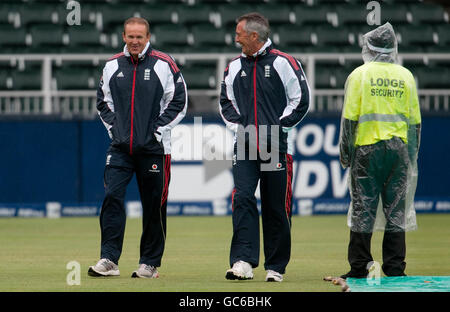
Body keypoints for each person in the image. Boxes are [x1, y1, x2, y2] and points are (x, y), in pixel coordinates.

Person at [88, 17, 187, 278]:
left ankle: (149, 263)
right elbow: (103, 102)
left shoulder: (164, 64)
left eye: (139, 37)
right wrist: (115, 129)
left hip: (154, 149)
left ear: (148, 38)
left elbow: (178, 101)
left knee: (154, 204)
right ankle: (109, 259)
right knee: (112, 198)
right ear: (123, 36)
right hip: (120, 147)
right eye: (130, 36)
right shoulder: (111, 66)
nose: (134, 41)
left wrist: (156, 131)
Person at [219, 13, 310, 282]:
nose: (236, 38)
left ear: (254, 36)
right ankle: (243, 262)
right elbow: (226, 102)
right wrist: (242, 129)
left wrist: (277, 129)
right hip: (245, 145)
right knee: (243, 198)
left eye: (239, 34)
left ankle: (276, 267)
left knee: (275, 205)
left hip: (277, 145)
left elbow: (301, 100)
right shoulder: (233, 66)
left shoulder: (285, 63)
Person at [338, 23, 421, 279]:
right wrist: (412, 156)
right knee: (396, 210)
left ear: (369, 47)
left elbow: (350, 120)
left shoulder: (359, 75)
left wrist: (345, 153)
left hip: (367, 149)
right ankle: (395, 268)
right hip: (399, 152)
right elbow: (414, 123)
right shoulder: (406, 76)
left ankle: (359, 266)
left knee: (363, 208)